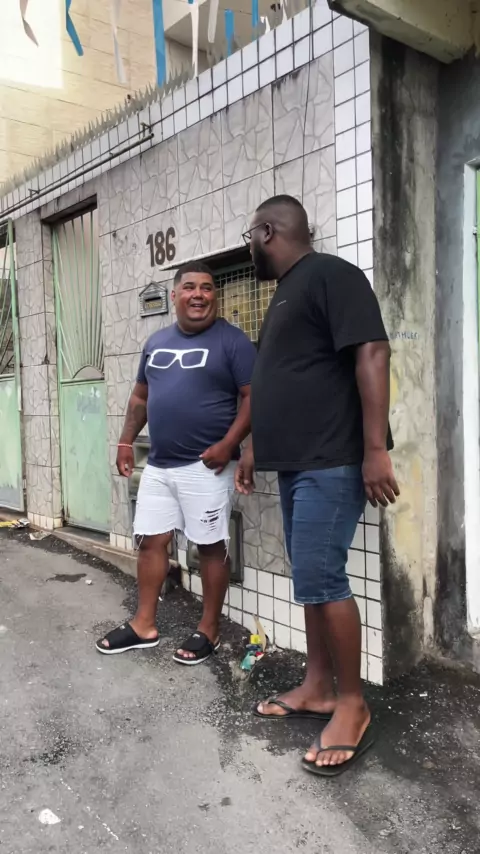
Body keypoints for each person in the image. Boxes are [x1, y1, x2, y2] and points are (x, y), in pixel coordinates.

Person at [235, 195, 399, 777]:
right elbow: (285, 379)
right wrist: (256, 446)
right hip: (298, 460)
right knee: (311, 579)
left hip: (332, 459)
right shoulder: (286, 292)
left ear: (267, 231)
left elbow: (372, 352)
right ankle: (317, 686)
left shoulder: (331, 273)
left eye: (249, 237)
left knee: (324, 578)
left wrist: (375, 448)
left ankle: (352, 705)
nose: (249, 248)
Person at [97, 261, 256, 665]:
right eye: (189, 287)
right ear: (174, 295)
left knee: (210, 546)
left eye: (207, 287)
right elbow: (140, 397)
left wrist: (230, 445)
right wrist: (126, 440)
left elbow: (253, 398)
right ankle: (143, 625)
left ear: (214, 295)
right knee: (151, 540)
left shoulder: (233, 341)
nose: (199, 294)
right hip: (160, 464)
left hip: (207, 466)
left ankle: (209, 629)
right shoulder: (156, 343)